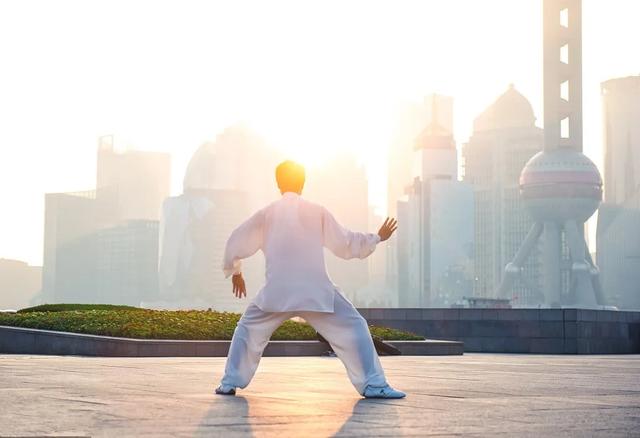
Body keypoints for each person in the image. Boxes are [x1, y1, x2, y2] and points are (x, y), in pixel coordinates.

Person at [216, 160, 405, 399]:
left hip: (277, 292)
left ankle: (228, 382)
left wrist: (236, 271)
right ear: (303, 182)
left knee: (247, 329)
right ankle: (375, 385)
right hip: (317, 292)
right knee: (356, 327)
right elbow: (345, 243)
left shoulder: (266, 214)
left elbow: (236, 240)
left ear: (278, 183)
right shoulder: (317, 211)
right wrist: (376, 237)